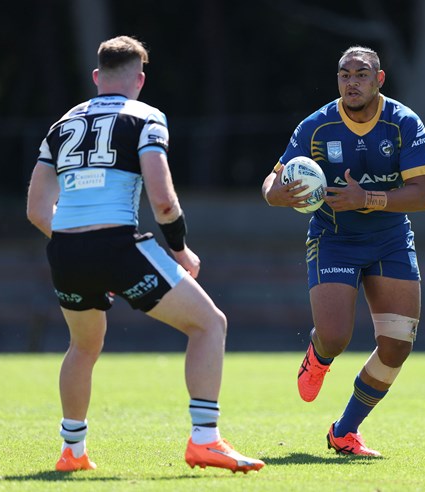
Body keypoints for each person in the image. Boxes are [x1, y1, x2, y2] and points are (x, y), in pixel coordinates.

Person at [26, 35, 264, 474]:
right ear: (140, 79)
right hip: (116, 244)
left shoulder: (61, 125)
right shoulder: (146, 116)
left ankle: (72, 451)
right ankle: (205, 441)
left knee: (83, 346)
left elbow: (37, 210)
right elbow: (164, 200)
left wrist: (76, 244)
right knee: (209, 325)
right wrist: (181, 251)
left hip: (65, 248)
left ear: (97, 77)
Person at [261, 46, 425, 456]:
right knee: (336, 337)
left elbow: (424, 195)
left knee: (397, 345)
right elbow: (270, 186)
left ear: (379, 79)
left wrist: (366, 198)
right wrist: (280, 195)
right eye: (344, 75)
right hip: (334, 238)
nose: (352, 82)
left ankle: (344, 431)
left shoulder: (403, 123)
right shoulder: (316, 127)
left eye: (361, 74)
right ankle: (318, 356)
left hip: (390, 239)